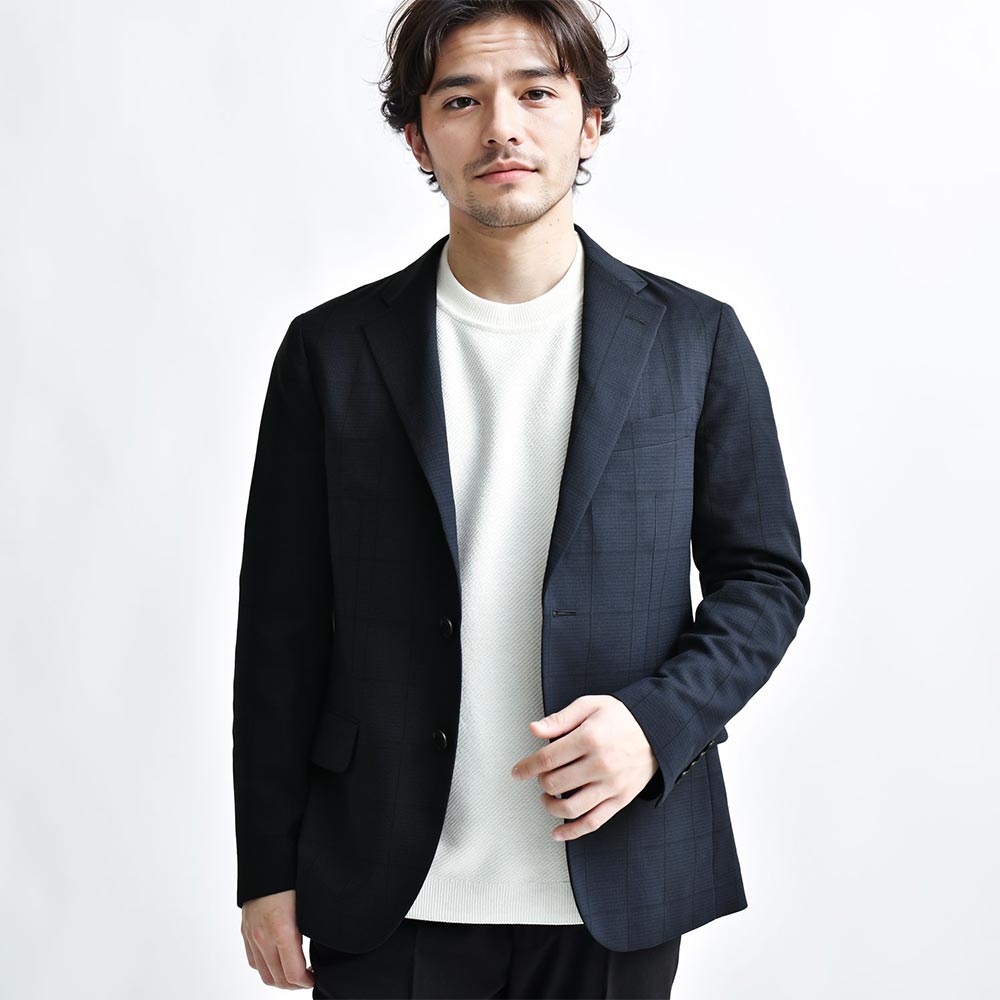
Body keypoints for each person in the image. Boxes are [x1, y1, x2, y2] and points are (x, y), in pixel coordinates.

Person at [232, 1, 811, 997]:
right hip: (387, 891)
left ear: (590, 121)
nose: (501, 126)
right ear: (419, 138)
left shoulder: (694, 340)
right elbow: (279, 633)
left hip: (614, 884)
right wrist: (266, 869)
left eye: (536, 93)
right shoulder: (332, 353)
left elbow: (764, 579)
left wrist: (655, 723)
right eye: (461, 100)